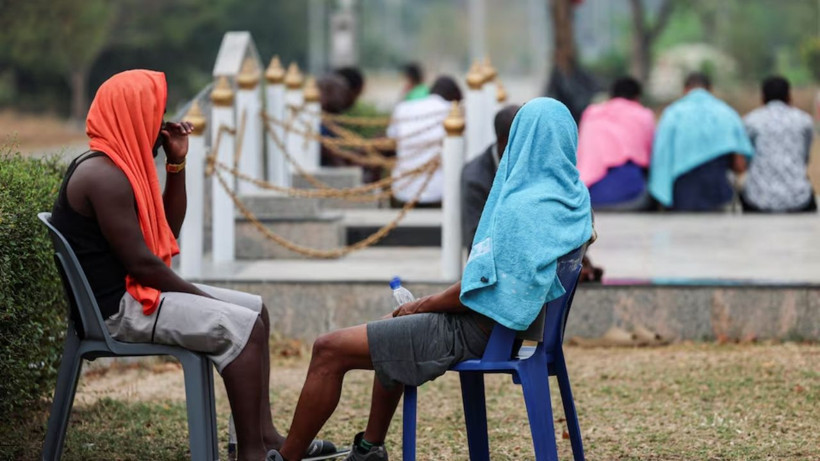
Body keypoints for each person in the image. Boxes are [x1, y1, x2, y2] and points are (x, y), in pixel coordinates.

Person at [267, 98, 594, 461]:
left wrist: (423, 303)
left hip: (481, 332)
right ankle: (369, 448)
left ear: (521, 139)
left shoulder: (523, 206)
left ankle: (288, 456)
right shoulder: (572, 196)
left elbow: (482, 289)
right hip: (522, 332)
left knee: (328, 348)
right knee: (391, 331)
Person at [50, 70, 338, 461]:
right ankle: (252, 455)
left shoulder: (121, 166)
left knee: (256, 310)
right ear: (132, 114)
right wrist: (203, 299)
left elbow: (169, 231)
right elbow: (143, 264)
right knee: (241, 325)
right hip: (119, 311)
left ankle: (265, 437)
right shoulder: (103, 175)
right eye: (156, 114)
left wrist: (176, 164)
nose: (162, 126)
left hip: (137, 293)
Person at [648, 72, 754, 211]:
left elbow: (661, 158)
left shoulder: (672, 114)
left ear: (685, 90)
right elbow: (740, 165)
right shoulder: (727, 113)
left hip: (681, 195)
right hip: (718, 194)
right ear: (710, 90)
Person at [576, 77, 655, 211]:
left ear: (611, 96)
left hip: (588, 198)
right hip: (631, 198)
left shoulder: (590, 114)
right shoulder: (643, 115)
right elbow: (650, 158)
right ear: (637, 98)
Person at [741, 76, 816, 213]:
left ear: (762, 98)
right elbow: (804, 158)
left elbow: (745, 159)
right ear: (789, 97)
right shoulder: (805, 121)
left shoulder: (750, 121)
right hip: (798, 200)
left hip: (758, 201)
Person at [387, 76, 462, 208]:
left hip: (402, 190)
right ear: (455, 97)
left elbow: (391, 139)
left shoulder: (403, 108)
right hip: (440, 192)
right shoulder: (455, 112)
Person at [461, 104, 520, 247]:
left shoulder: (529, 160)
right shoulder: (476, 179)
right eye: (522, 138)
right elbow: (478, 239)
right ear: (502, 141)